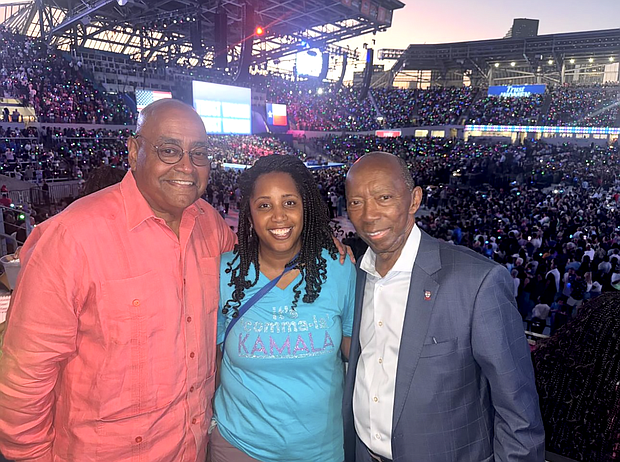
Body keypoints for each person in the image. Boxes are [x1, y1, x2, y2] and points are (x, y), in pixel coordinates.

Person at [0, 99, 237, 461]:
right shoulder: (72, 236)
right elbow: (25, 374)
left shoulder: (211, 225)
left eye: (199, 153)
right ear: (134, 151)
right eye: (169, 150)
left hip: (192, 448)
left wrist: (316, 244)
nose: (187, 167)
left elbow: (259, 268)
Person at [342, 151, 545, 462]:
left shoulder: (477, 281)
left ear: (414, 200)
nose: (368, 215)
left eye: (384, 197)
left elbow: (519, 412)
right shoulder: (353, 277)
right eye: (356, 202)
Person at [212, 154, 356, 462]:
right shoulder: (224, 274)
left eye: (289, 202)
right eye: (265, 205)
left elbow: (358, 351)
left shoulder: (339, 269)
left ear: (305, 207)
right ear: (248, 212)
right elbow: (208, 357)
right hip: (239, 447)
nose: (279, 217)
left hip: (320, 450)